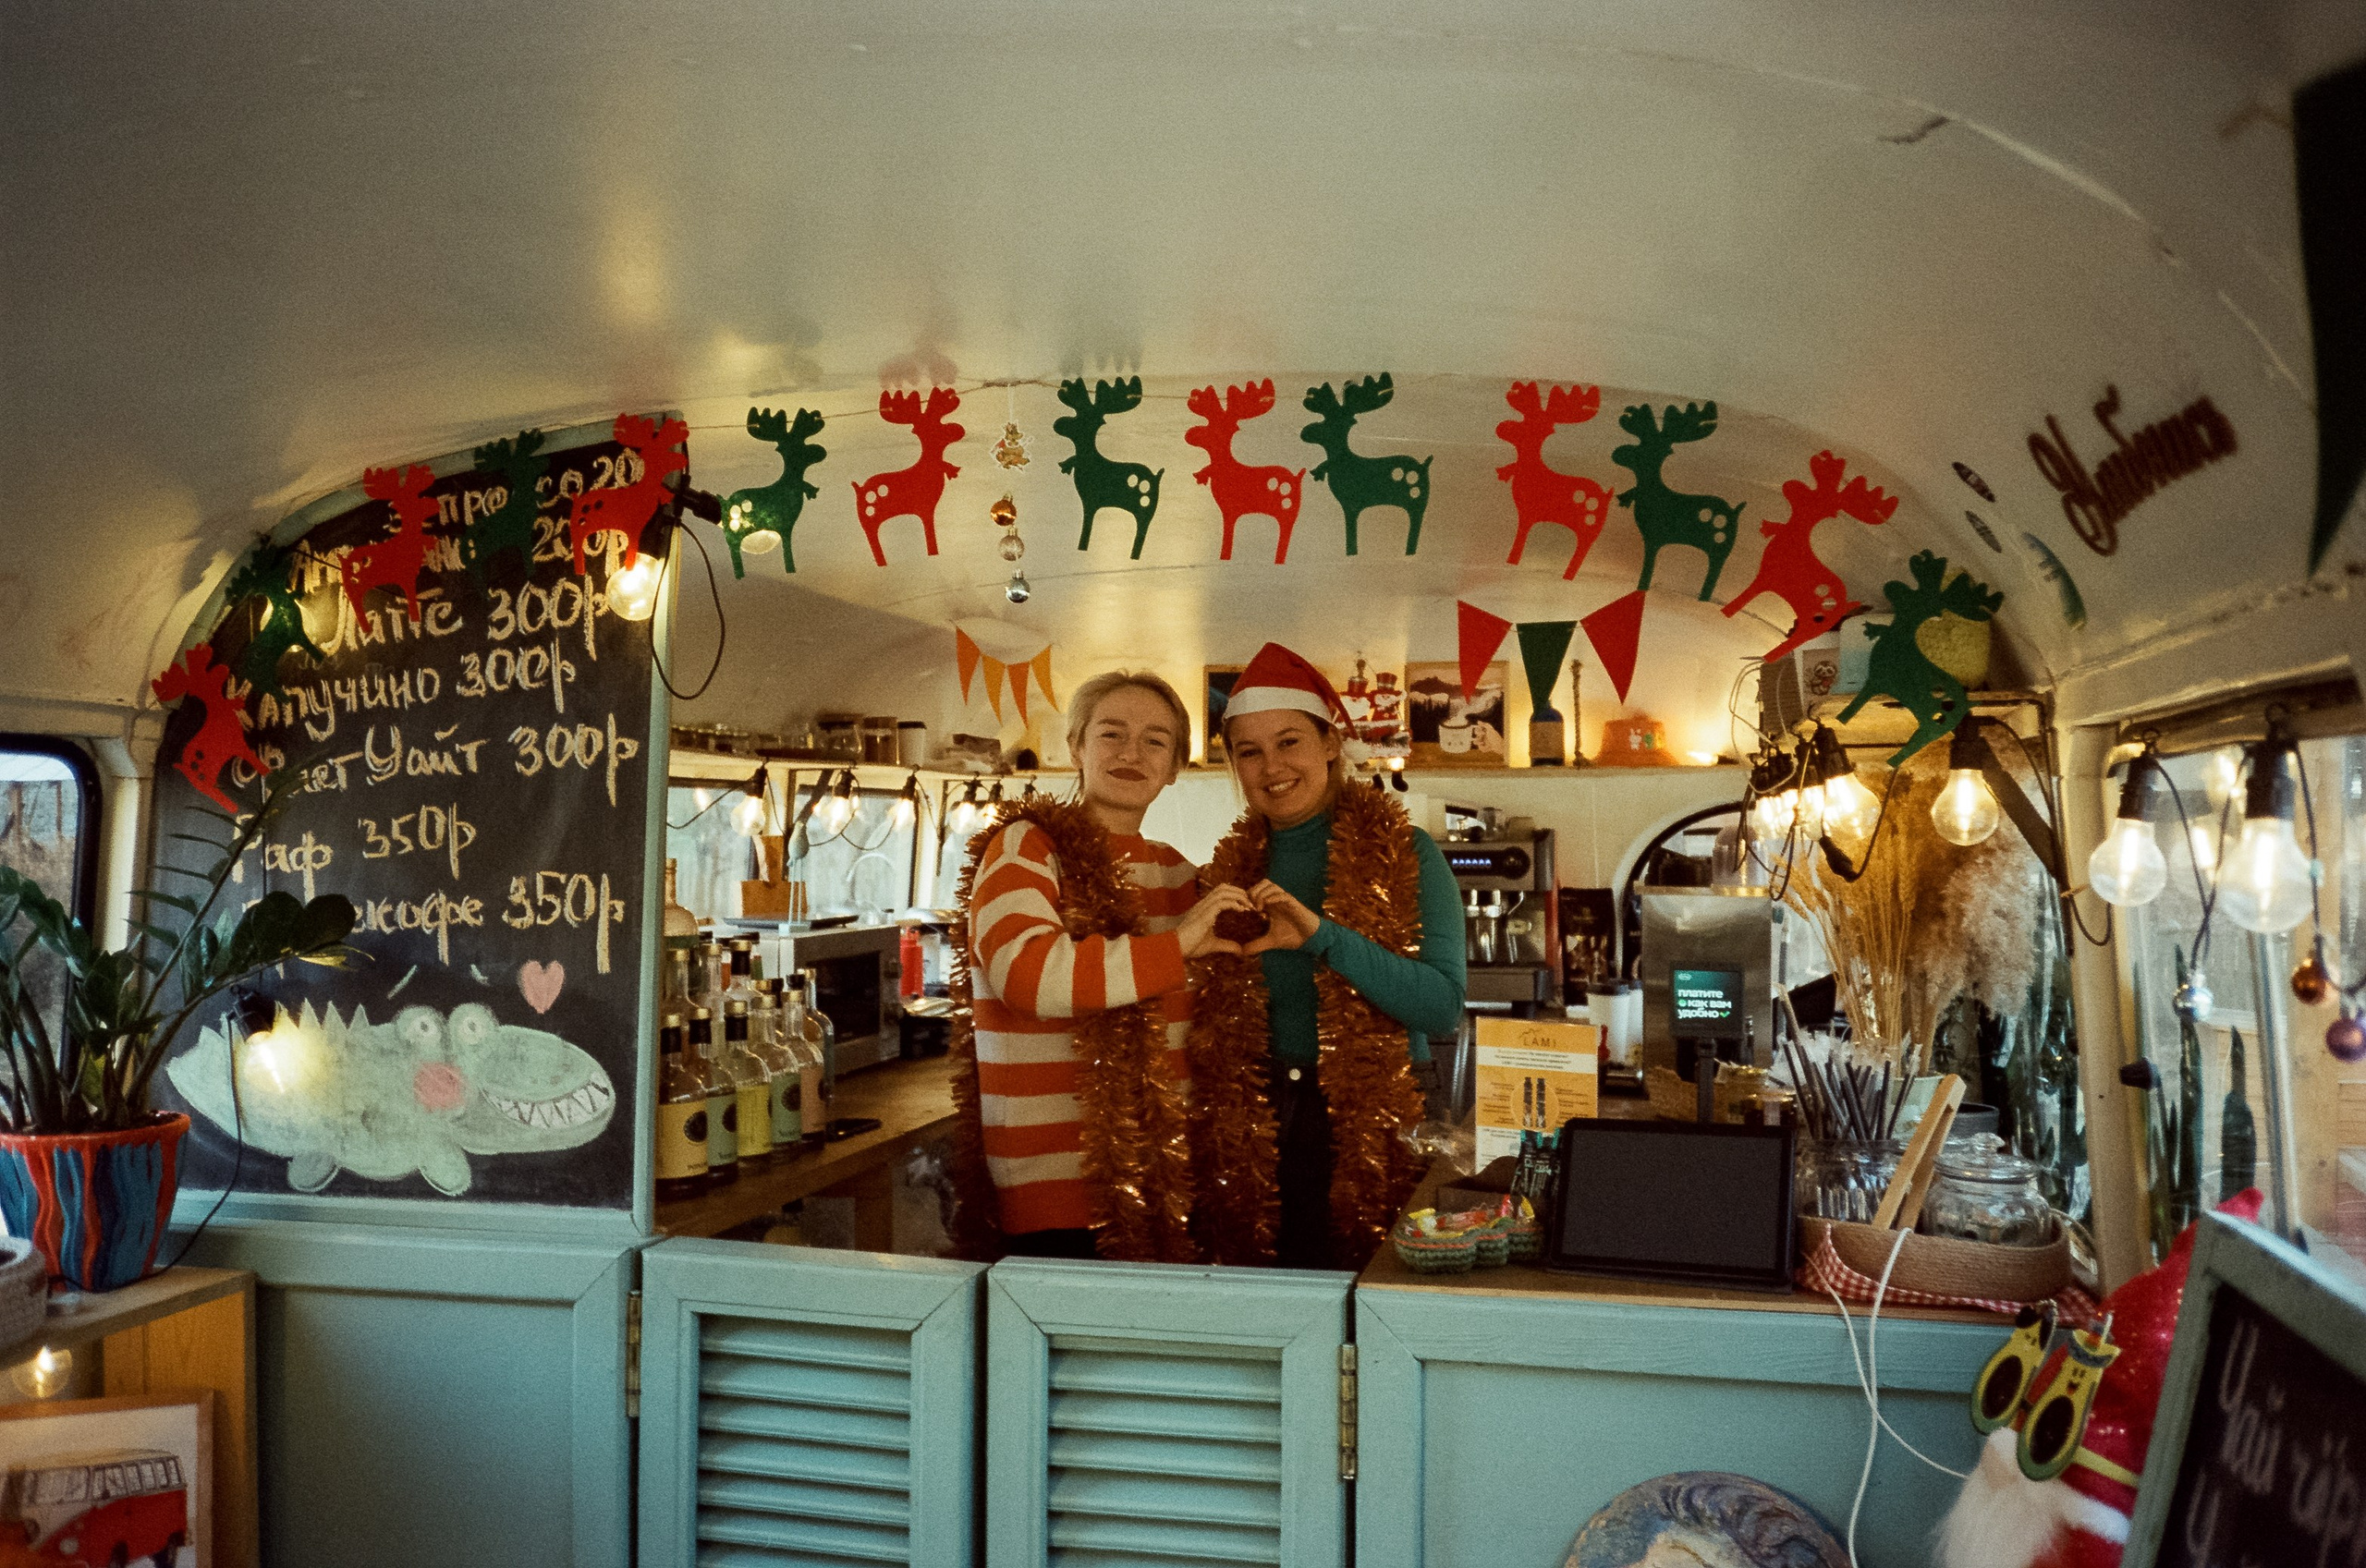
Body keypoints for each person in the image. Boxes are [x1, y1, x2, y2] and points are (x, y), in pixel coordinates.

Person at [949, 670, 1255, 1262]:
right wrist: (1179, 944)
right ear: (1077, 749)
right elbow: (1029, 977)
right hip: (1053, 1192)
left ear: (1173, 769)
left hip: (1164, 1183)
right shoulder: (1025, 847)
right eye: (1111, 734)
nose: (1131, 753)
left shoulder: (1178, 872)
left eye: (1155, 741)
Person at [1189, 642, 1467, 1270]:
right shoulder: (1227, 870)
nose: (1271, 766)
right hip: (1255, 1115)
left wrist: (1322, 936)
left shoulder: (1408, 852)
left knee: (1377, 1301)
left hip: (1383, 1111)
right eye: (1248, 751)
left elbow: (1442, 1006)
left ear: (1332, 744)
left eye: (1289, 741)